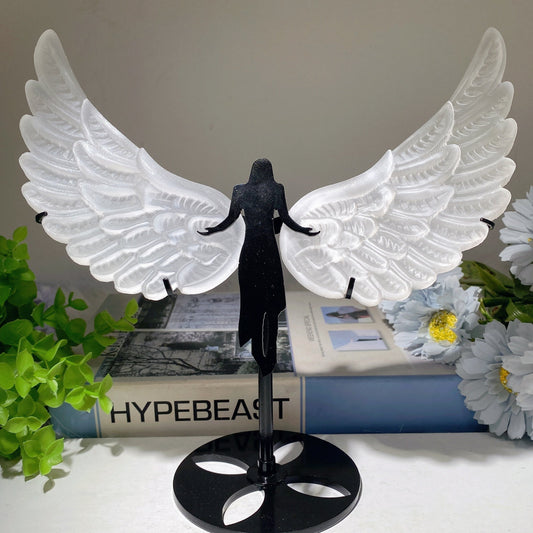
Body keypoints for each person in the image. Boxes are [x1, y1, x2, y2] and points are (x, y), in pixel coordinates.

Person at [199, 158, 318, 375]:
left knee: (252, 301)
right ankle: (268, 357)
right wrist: (303, 229)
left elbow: (231, 219)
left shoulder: (240, 190)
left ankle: (259, 354)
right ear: (269, 171)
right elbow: (285, 218)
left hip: (250, 249)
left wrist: (214, 229)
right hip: (268, 248)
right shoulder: (276, 189)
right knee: (270, 304)